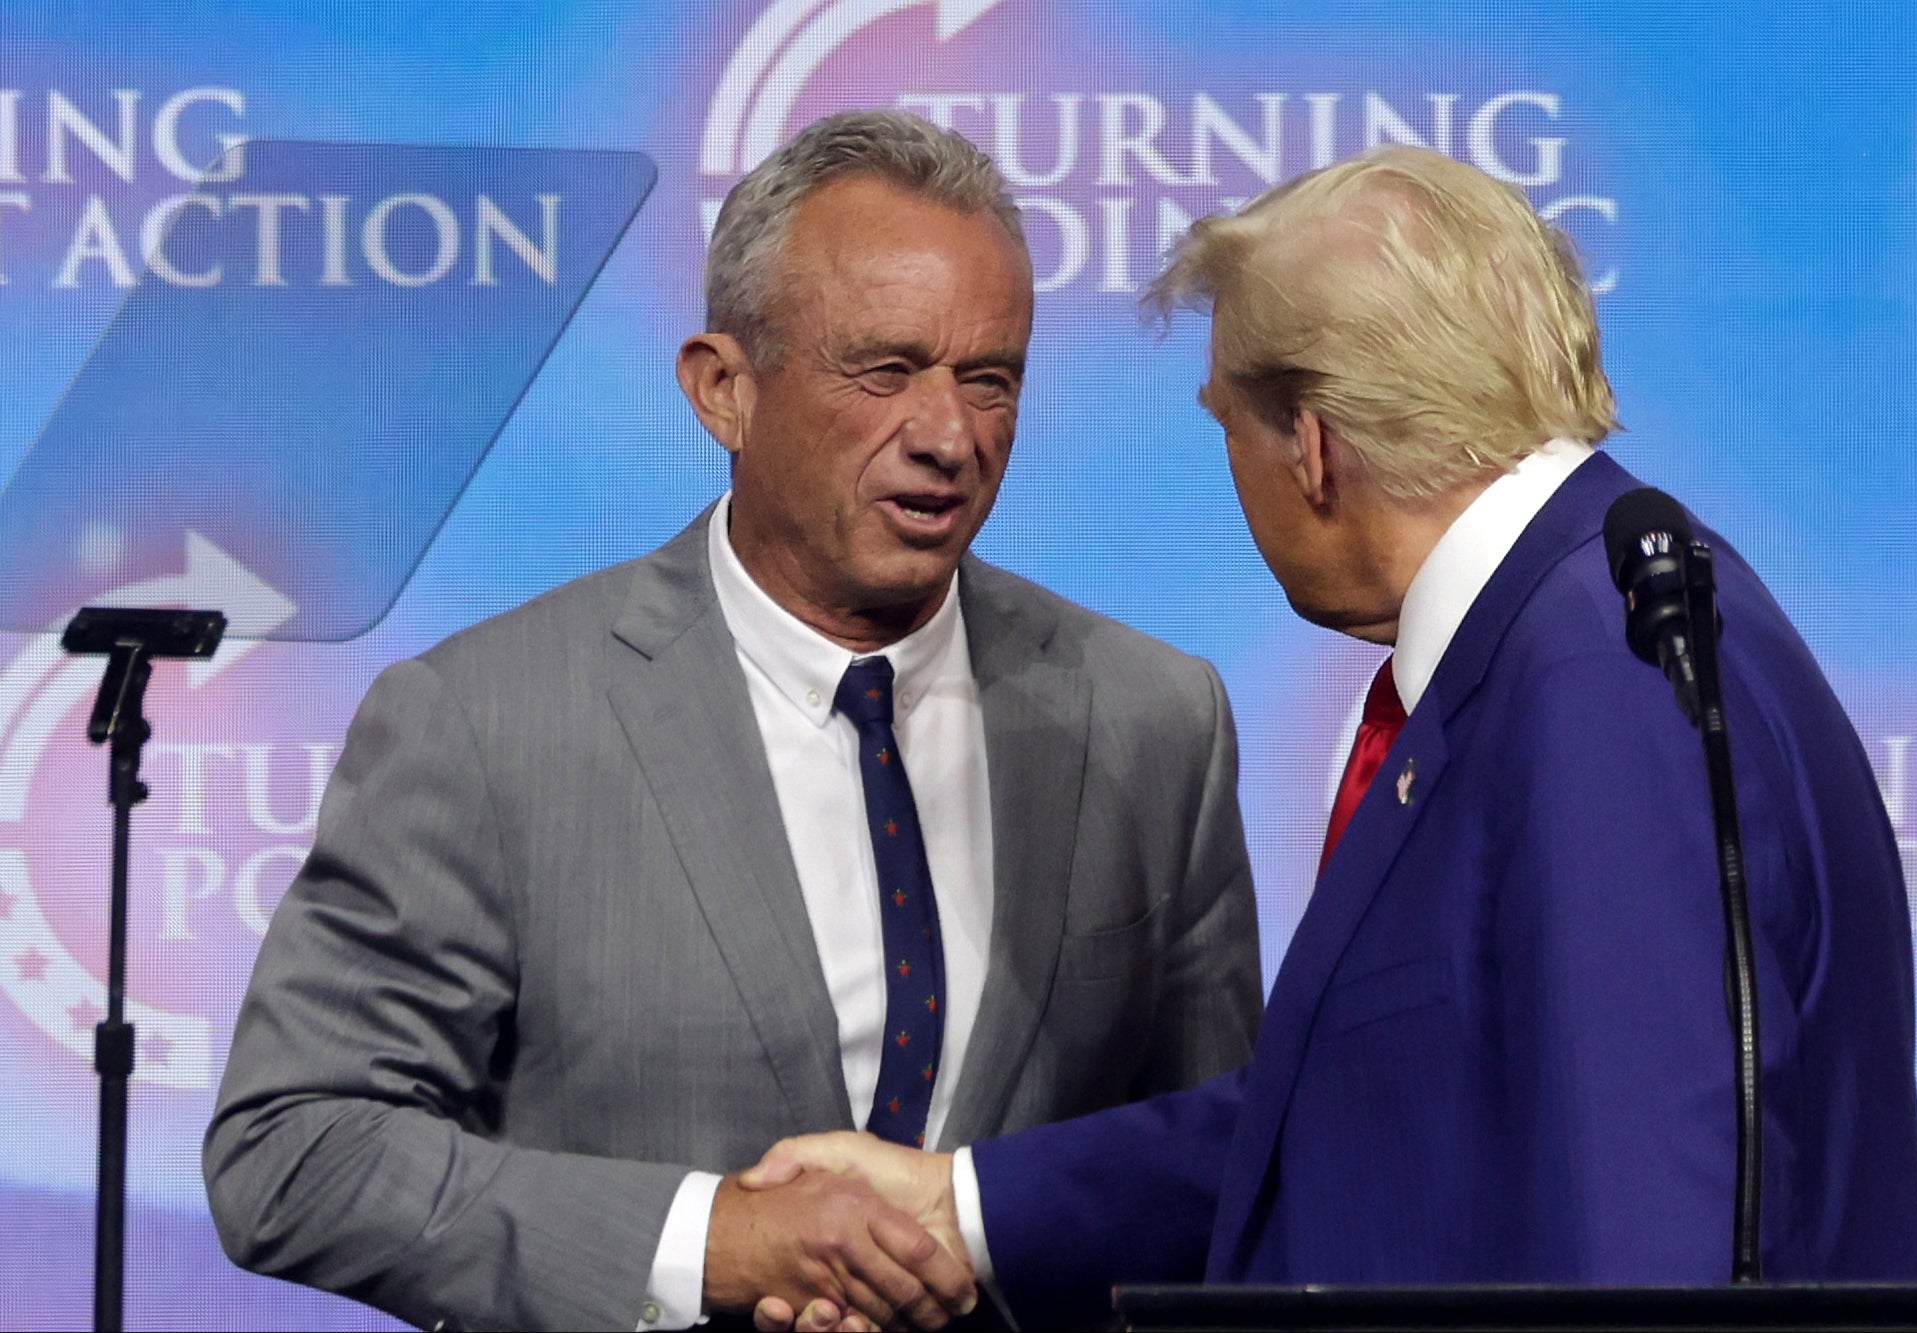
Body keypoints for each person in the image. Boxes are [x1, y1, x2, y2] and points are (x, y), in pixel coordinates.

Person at [744, 143, 1917, 1329]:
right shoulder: (1568, 636)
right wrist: (962, 1201)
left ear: (1310, 446)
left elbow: (1643, 1235)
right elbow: (1357, 1108)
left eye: (1227, 427)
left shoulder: (1598, 682)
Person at [202, 109, 1262, 1333]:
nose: (947, 436)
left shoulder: (1149, 720)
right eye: (883, 369)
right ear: (723, 389)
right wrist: (714, 1240)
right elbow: (297, 1150)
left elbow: (1220, 1175)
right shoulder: (485, 722)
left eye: (989, 380)